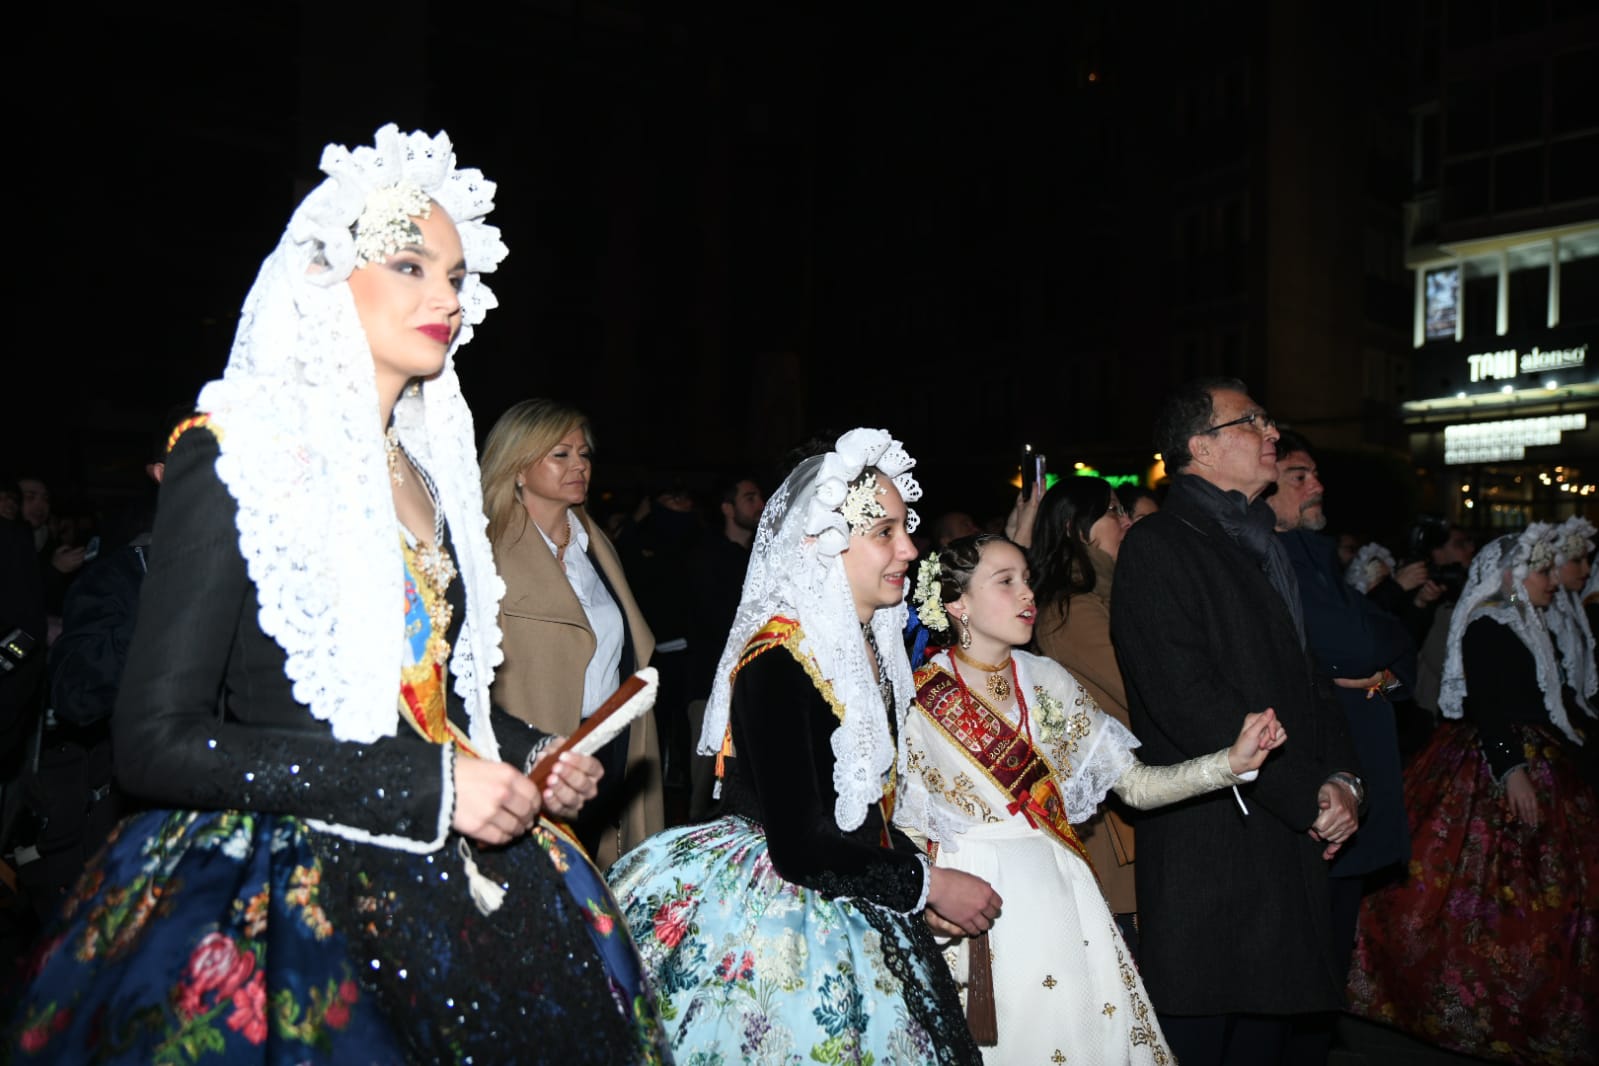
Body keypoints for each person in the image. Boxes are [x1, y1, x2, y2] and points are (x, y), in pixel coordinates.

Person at [7, 125, 664, 1064]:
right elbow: (153, 741)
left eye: (455, 275)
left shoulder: (428, 479)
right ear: (324, 280)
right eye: (411, 265)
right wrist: (433, 786)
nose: (447, 294)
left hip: (453, 869)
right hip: (287, 891)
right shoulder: (233, 450)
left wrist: (529, 753)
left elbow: (426, 698)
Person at [609, 428, 999, 1065]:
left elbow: (859, 817)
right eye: (885, 534)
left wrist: (910, 885)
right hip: (775, 907)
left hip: (843, 882)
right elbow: (800, 844)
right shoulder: (781, 658)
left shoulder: (862, 646)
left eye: (906, 527)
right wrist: (926, 885)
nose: (909, 548)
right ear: (825, 545)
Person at [901, 533, 1286, 1064]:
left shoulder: (1049, 679)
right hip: (973, 903)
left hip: (1063, 900)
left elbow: (1136, 786)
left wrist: (1229, 764)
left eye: (1028, 579)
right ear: (957, 603)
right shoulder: (918, 696)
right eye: (1006, 581)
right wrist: (929, 900)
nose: (1027, 594)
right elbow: (902, 824)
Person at [1110, 377, 1363, 1066]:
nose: (1271, 434)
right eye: (1250, 422)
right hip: (1215, 852)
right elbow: (1185, 699)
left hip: (1280, 841)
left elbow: (1311, 684)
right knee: (1204, 1042)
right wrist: (1303, 794)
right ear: (1200, 447)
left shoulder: (1261, 542)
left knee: (1267, 1043)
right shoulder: (1159, 544)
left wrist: (1343, 782)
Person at [1347, 526, 1598, 1064]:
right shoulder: (1489, 624)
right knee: (1467, 893)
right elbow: (1488, 706)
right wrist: (1511, 770)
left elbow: (1561, 702)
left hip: (1544, 757)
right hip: (1496, 763)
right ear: (1512, 575)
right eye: (1543, 570)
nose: (1553, 581)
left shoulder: (1534, 623)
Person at [1266, 431, 1415, 1064]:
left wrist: (1371, 656)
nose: (1317, 485)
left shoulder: (1309, 553)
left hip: (1353, 780)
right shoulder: (1278, 556)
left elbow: (1391, 641)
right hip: (1322, 783)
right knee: (1306, 965)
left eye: (1316, 474)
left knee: (1328, 958)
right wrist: (1362, 655)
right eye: (1299, 475)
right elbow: (1359, 643)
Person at [480, 399, 663, 868]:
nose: (579, 465)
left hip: (610, 737)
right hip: (534, 742)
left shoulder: (594, 544)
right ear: (518, 468)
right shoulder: (489, 550)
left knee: (598, 877)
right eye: (561, 454)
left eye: (584, 454)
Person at [1026, 475, 1141, 944]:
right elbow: (1141, 691)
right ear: (1076, 529)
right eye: (1114, 511)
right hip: (1117, 820)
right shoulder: (1069, 610)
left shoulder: (1107, 596)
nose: (1127, 521)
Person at [1548, 516, 1596, 718]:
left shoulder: (1571, 605)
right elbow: (1511, 600)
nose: (1587, 570)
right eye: (1577, 560)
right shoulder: (1531, 606)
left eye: (1588, 560)